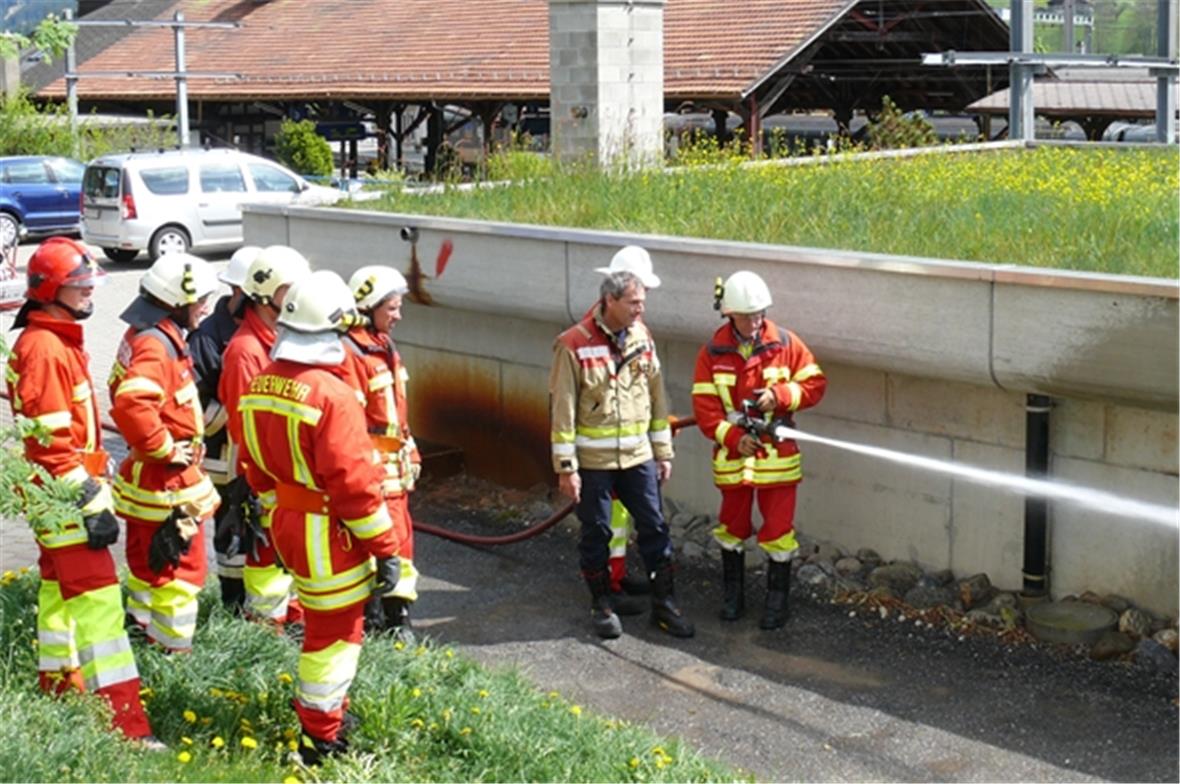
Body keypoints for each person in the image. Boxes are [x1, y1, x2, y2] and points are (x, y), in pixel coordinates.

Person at [236, 270, 401, 765]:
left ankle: (326, 719)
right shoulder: (331, 393)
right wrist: (386, 549)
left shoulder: (262, 382)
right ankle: (322, 739)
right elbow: (354, 486)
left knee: (318, 626)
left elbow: (254, 465)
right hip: (329, 536)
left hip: (287, 523)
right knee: (336, 637)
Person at [6, 237, 160, 745]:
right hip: (65, 496)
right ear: (51, 291)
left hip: (58, 492)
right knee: (100, 607)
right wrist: (92, 502)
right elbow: (52, 446)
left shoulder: (53, 338)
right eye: (79, 286)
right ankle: (125, 727)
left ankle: (58, 684)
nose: (90, 292)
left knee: (56, 590)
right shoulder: (46, 348)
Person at [549, 266, 693, 640]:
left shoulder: (642, 337)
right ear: (609, 300)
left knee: (655, 528)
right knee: (596, 532)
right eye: (633, 303)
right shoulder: (572, 344)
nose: (639, 310)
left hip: (638, 458)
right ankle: (602, 605)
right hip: (594, 463)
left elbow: (657, 398)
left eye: (642, 303)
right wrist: (567, 468)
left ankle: (665, 604)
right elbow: (562, 411)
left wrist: (663, 451)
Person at [690, 270, 826, 630]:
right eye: (748, 315)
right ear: (729, 314)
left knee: (779, 530)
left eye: (760, 313)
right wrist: (734, 439)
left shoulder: (785, 343)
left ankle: (776, 603)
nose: (756, 321)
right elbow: (705, 411)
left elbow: (814, 384)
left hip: (777, 459)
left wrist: (779, 396)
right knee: (731, 528)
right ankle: (733, 597)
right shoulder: (712, 353)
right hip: (735, 458)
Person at [109, 251, 221, 652]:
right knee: (181, 568)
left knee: (146, 563)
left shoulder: (143, 335)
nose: (206, 307)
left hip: (149, 478)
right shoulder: (158, 347)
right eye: (202, 299)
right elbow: (131, 403)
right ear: (179, 298)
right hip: (170, 485)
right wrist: (164, 448)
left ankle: (140, 631)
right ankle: (174, 651)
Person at [218, 244, 311, 626]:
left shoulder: (279, 340)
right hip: (264, 479)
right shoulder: (245, 351)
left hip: (287, 476)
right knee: (266, 562)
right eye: (291, 290)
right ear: (265, 293)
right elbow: (247, 429)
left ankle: (288, 622)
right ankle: (266, 633)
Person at [344, 265, 420, 638]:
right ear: (369, 306)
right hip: (374, 473)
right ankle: (382, 620)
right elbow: (351, 423)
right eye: (391, 307)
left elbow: (396, 411)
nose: (398, 315)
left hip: (396, 469)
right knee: (379, 544)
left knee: (402, 542)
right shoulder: (352, 354)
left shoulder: (383, 347)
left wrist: (412, 449)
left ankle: (398, 618)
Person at [187, 245, 260, 613]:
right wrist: (233, 416)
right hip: (221, 456)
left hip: (255, 454)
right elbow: (190, 405)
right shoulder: (206, 338)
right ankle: (232, 604)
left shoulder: (265, 332)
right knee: (231, 529)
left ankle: (257, 601)